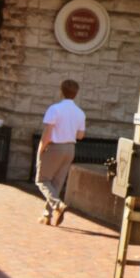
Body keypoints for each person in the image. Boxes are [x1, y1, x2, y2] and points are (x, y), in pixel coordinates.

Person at [36, 79, 85, 226]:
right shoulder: (80, 113)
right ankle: (47, 215)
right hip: (70, 148)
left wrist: (41, 149)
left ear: (61, 91)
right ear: (76, 94)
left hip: (55, 147)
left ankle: (57, 205)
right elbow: (81, 135)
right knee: (57, 183)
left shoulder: (55, 109)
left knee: (42, 180)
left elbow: (47, 133)